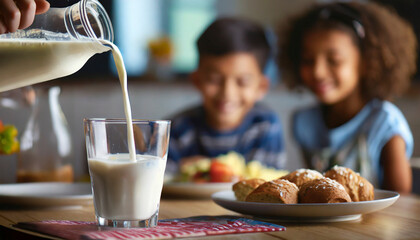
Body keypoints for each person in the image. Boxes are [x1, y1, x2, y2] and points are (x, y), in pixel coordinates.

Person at [277, 2, 417, 193]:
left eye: (334, 61)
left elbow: (400, 199)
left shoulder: (385, 123)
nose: (318, 72)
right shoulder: (305, 122)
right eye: (308, 61)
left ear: (366, 62)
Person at [167, 17, 285, 173]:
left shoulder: (265, 125)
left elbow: (264, 185)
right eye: (214, 80)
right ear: (196, 80)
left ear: (261, 87)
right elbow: (161, 179)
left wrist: (210, 170)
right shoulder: (178, 129)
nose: (227, 93)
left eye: (242, 82)